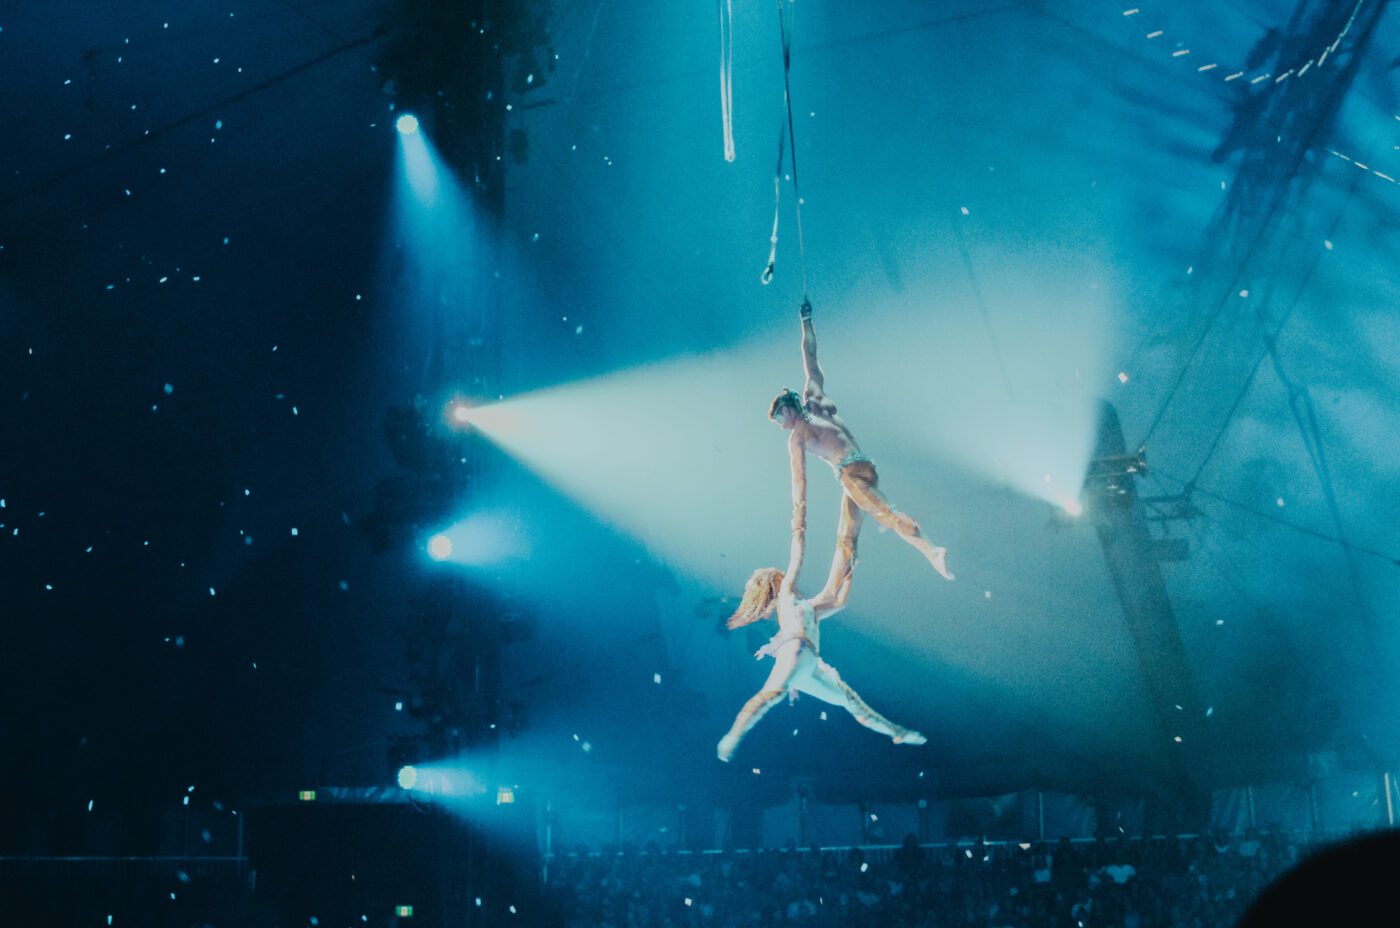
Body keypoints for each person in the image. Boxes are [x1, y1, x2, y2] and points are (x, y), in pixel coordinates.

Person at [770, 300, 953, 599]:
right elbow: (811, 356)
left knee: (887, 515)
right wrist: (806, 322)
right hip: (865, 467)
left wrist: (798, 525)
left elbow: (799, 480)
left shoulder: (797, 437)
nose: (781, 426)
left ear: (788, 409)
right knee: (846, 537)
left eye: (780, 419)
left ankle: (932, 551)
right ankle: (830, 594)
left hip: (851, 476)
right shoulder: (816, 399)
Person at [716, 523, 926, 762]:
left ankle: (897, 732)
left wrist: (849, 575)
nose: (786, 577)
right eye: (781, 576)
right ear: (775, 582)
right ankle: (733, 736)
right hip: (796, 651)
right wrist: (798, 529)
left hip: (809, 664)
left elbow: (838, 603)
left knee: (850, 701)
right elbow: (797, 557)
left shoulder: (806, 607)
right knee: (770, 695)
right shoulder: (785, 594)